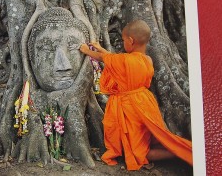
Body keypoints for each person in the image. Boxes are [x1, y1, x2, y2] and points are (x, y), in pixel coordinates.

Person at [79, 20, 192, 170]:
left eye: (124, 40)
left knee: (140, 153)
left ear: (131, 41)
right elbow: (115, 60)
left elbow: (106, 59)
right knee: (146, 138)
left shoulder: (124, 60)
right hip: (145, 102)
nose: (123, 43)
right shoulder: (147, 60)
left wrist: (87, 50)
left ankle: (176, 152)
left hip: (131, 107)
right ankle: (176, 148)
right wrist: (100, 48)